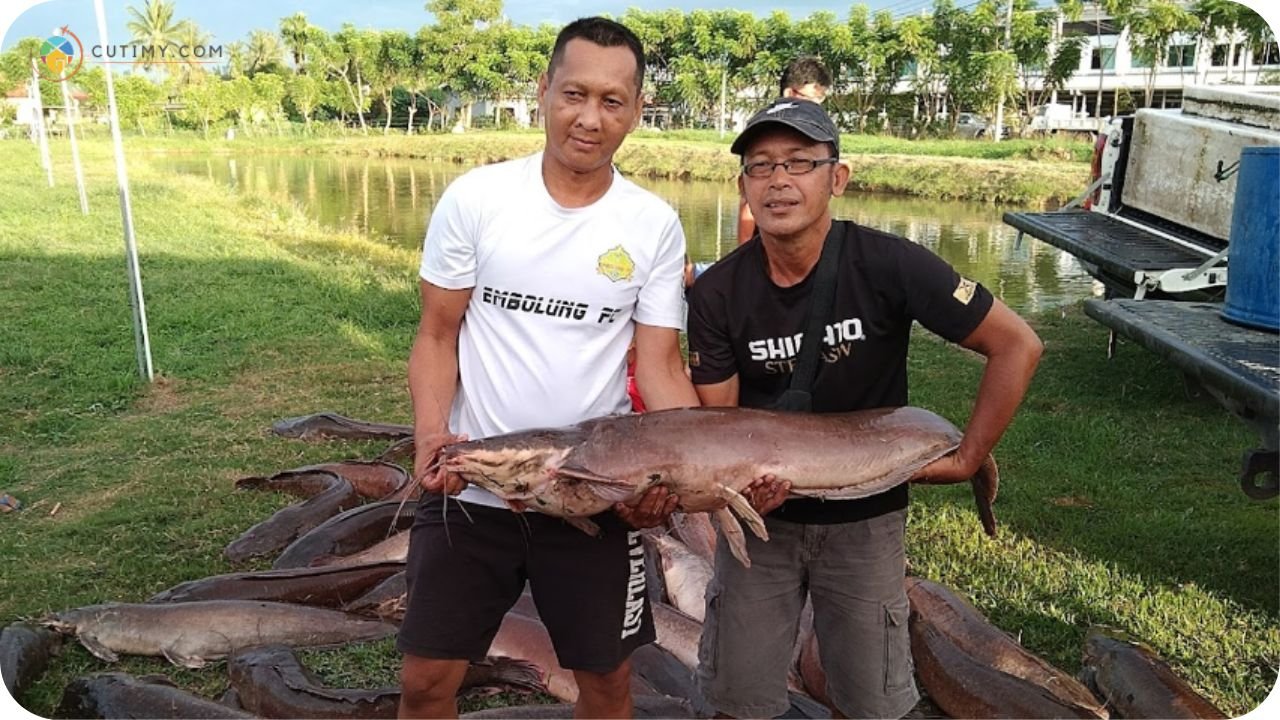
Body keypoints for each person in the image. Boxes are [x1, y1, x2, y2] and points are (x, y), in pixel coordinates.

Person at [686, 98, 1043, 719]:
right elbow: (719, 421)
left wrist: (969, 457)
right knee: (736, 699)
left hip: (867, 519)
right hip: (761, 526)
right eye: (761, 166)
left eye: (799, 163)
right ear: (742, 185)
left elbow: (1016, 344)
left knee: (873, 699)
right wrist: (729, 487)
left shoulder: (889, 262)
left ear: (837, 177)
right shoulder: (718, 291)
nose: (779, 181)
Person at [398, 17, 698, 720]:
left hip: (594, 489)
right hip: (473, 484)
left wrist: (683, 472)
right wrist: (429, 434)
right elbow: (437, 335)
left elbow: (658, 367)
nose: (590, 119)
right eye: (574, 94)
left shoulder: (651, 223)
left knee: (606, 684)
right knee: (425, 682)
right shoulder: (477, 199)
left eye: (612, 101)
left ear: (637, 110)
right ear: (543, 92)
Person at [736, 56, 832, 245]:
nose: (779, 180)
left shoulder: (822, 133)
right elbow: (746, 205)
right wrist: (743, 257)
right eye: (811, 99)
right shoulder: (761, 130)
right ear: (790, 92)